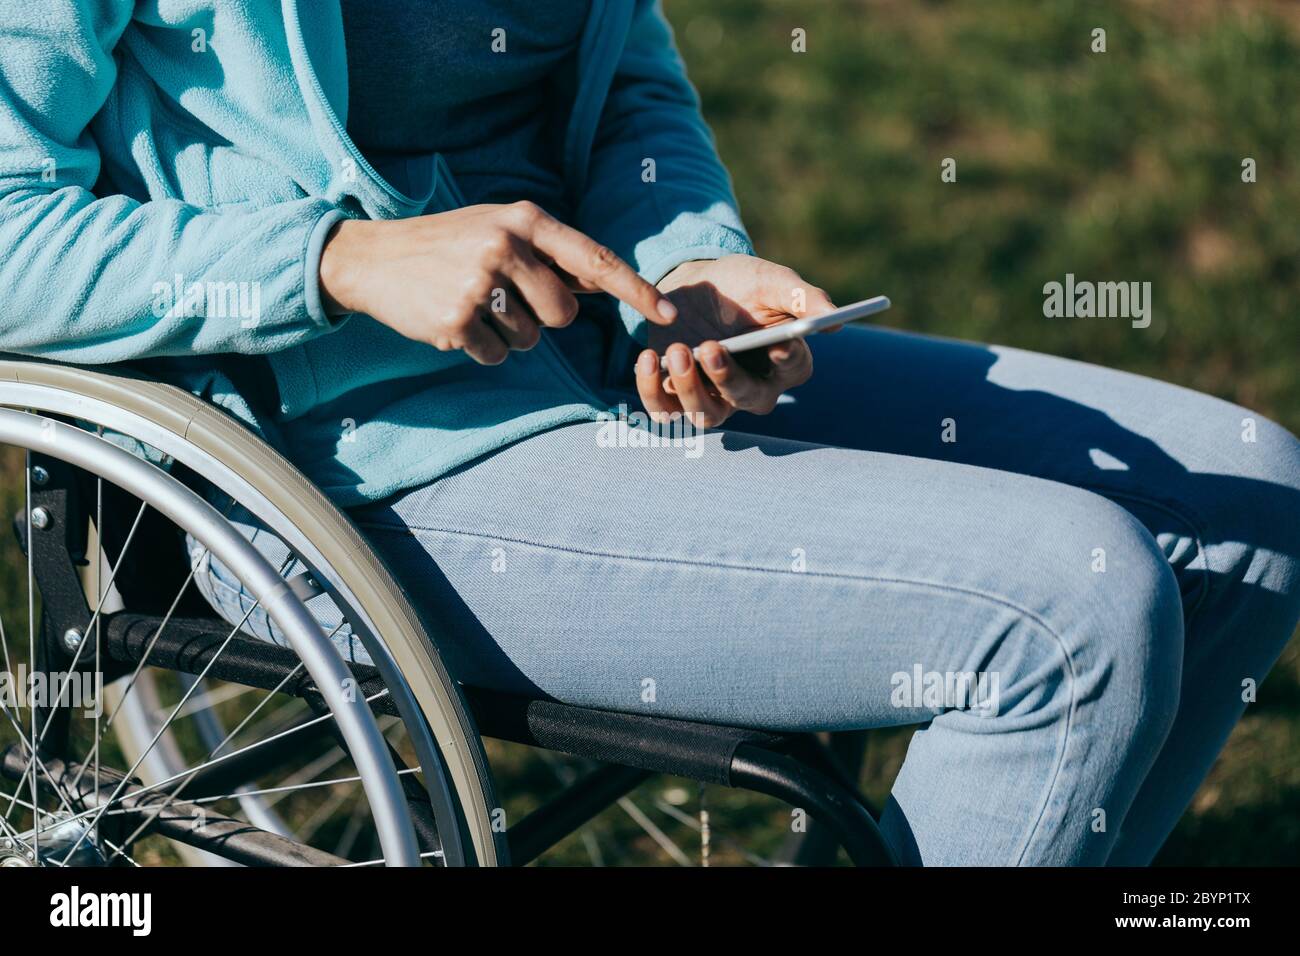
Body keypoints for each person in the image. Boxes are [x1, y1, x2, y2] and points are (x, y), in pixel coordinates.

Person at [2, 1, 1297, 866]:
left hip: (604, 363)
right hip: (344, 459)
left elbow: (625, 89)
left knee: (1248, 501)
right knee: (1070, 622)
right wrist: (332, 260)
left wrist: (687, 270)